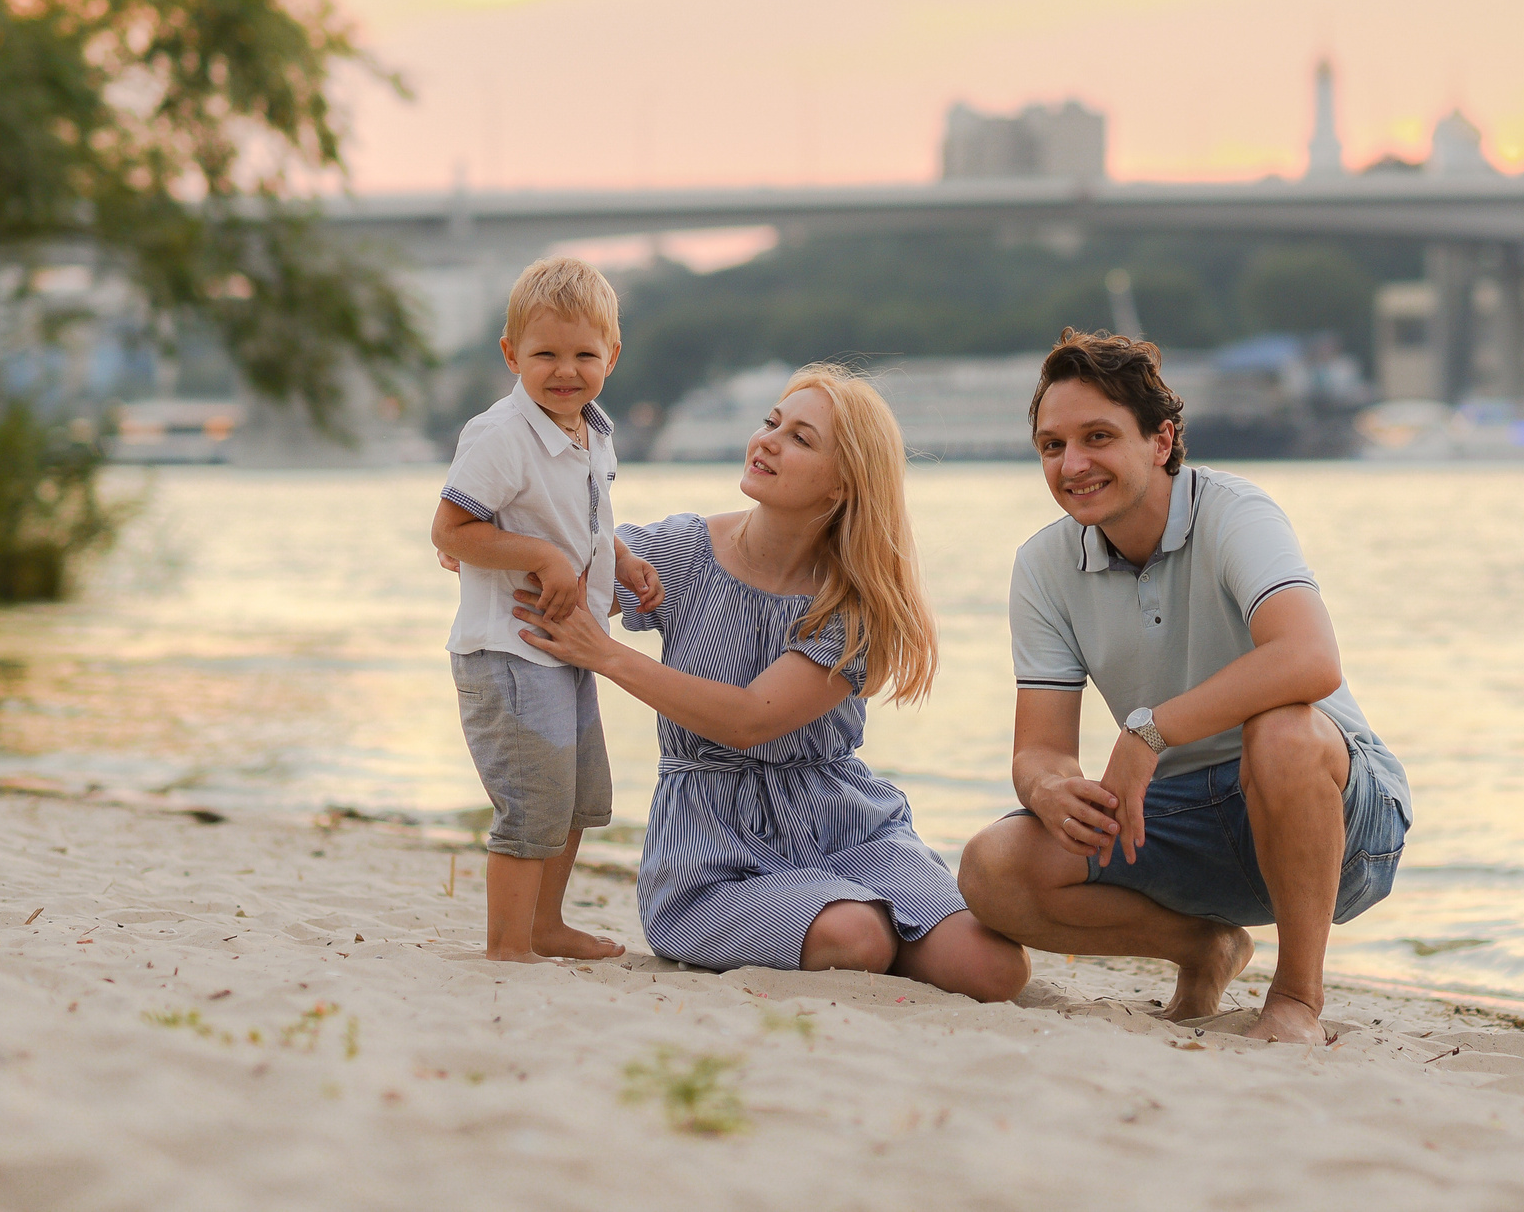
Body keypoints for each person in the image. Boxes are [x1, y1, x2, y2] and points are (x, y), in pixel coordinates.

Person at [509, 363, 1028, 1002]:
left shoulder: (854, 605)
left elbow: (751, 717)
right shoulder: (684, 550)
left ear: (844, 485)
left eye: (801, 439)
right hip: (710, 845)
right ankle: (846, 936)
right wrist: (493, 543)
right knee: (857, 939)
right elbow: (565, 565)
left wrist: (608, 656)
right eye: (771, 423)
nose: (767, 441)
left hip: (841, 822)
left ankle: (861, 930)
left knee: (995, 973)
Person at [958, 330, 1412, 1043]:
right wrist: (1048, 788)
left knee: (1283, 729)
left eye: (1098, 436)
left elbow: (1310, 658)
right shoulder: (1044, 565)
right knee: (992, 866)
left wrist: (1150, 728)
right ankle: (1204, 947)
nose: (1072, 464)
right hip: (1174, 821)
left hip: (1340, 816)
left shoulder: (1236, 510)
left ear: (1161, 440)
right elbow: (1039, 750)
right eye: (1052, 445)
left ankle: (1296, 997)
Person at [429, 257, 664, 963]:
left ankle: (546, 923)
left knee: (578, 799)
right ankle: (508, 945)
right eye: (545, 355)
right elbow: (450, 530)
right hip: (508, 649)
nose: (566, 370)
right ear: (512, 355)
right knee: (531, 805)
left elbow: (583, 519)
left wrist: (618, 558)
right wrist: (541, 557)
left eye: (584, 354)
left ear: (612, 355)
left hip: (566, 646)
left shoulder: (593, 431)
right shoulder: (502, 433)